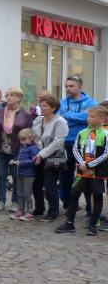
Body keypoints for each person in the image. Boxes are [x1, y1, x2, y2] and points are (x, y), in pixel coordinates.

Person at [55, 105, 108, 236]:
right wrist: (82, 164)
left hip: (97, 173)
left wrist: (90, 165)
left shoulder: (105, 134)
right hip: (82, 171)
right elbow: (75, 149)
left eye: (92, 117)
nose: (89, 119)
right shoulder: (82, 133)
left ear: (102, 119)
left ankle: (93, 225)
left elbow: (105, 153)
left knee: (97, 196)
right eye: (88, 116)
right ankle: (69, 223)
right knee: (74, 194)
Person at [0, 88, 33, 212]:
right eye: (7, 95)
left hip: (18, 150)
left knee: (16, 176)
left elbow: (29, 133)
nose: (8, 98)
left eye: (12, 95)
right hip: (1, 149)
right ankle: (1, 200)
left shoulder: (26, 114)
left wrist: (27, 150)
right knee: (1, 175)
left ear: (19, 98)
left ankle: (15, 202)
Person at [59, 75, 98, 211]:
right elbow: (59, 119)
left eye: (71, 86)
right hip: (67, 143)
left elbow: (88, 118)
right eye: (66, 86)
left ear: (80, 87)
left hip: (85, 144)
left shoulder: (91, 102)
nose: (68, 88)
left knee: (86, 174)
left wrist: (67, 115)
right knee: (66, 175)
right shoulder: (62, 102)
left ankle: (90, 207)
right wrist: (79, 118)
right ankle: (68, 204)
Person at [31, 94, 68, 222]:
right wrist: (37, 152)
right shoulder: (38, 120)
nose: (42, 108)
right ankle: (39, 208)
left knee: (50, 185)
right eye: (41, 105)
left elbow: (57, 143)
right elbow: (34, 137)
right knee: (36, 183)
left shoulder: (60, 122)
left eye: (45, 106)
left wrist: (42, 154)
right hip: (38, 155)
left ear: (53, 108)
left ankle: (53, 211)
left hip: (53, 157)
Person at [10, 128, 40, 221]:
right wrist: (14, 160)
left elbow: (34, 161)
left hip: (29, 175)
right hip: (20, 173)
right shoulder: (22, 147)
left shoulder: (34, 148)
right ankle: (21, 210)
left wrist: (21, 163)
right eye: (20, 140)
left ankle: (30, 212)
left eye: (23, 139)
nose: (21, 142)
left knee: (27, 194)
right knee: (19, 193)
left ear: (31, 138)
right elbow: (18, 157)